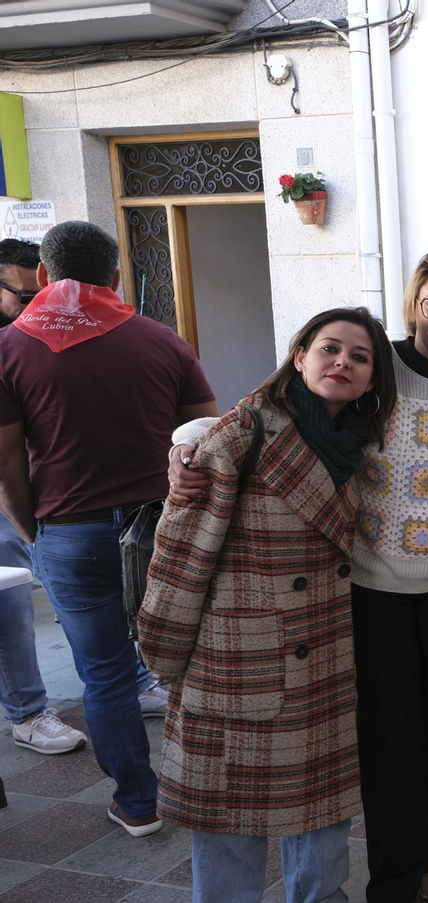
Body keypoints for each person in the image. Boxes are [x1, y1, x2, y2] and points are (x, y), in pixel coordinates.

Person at [166, 249, 428, 903]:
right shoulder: (382, 365)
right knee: (387, 740)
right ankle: (395, 878)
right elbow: (277, 410)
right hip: (371, 588)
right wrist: (187, 438)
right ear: (414, 305)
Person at [139, 306, 395, 903]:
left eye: (360, 358)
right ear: (300, 354)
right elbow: (182, 549)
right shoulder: (243, 431)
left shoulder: (355, 444)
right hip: (236, 660)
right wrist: (164, 652)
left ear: (373, 380)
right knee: (230, 819)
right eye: (330, 348)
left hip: (322, 653)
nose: (343, 363)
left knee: (319, 808)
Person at [0, 221, 218, 837]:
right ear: (117, 278)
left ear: (43, 276)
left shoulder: (9, 349)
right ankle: (208, 787)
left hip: (70, 531)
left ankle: (138, 802)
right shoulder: (162, 341)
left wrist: (35, 534)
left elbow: (7, 464)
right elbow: (211, 436)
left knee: (105, 673)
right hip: (163, 528)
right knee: (191, 664)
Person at [0, 237, 90, 757]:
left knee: (77, 591)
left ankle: (133, 681)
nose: (35, 305)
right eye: (21, 294)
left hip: (49, 490)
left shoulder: (38, 335)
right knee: (11, 601)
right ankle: (28, 712)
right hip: (9, 494)